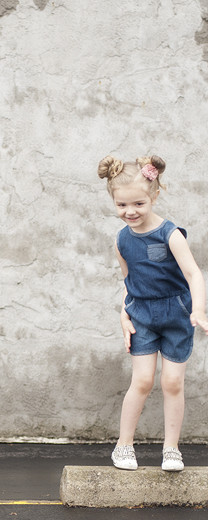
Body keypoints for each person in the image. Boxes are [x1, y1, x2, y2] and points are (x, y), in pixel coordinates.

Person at [98, 155, 208, 472]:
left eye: (138, 203)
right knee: (143, 381)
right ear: (113, 202)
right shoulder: (121, 240)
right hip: (142, 316)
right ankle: (123, 445)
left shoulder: (170, 234)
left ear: (154, 196)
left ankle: (171, 449)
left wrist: (198, 308)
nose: (130, 212)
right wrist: (124, 315)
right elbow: (128, 282)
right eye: (121, 205)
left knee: (173, 383)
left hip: (177, 315)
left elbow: (194, 274)